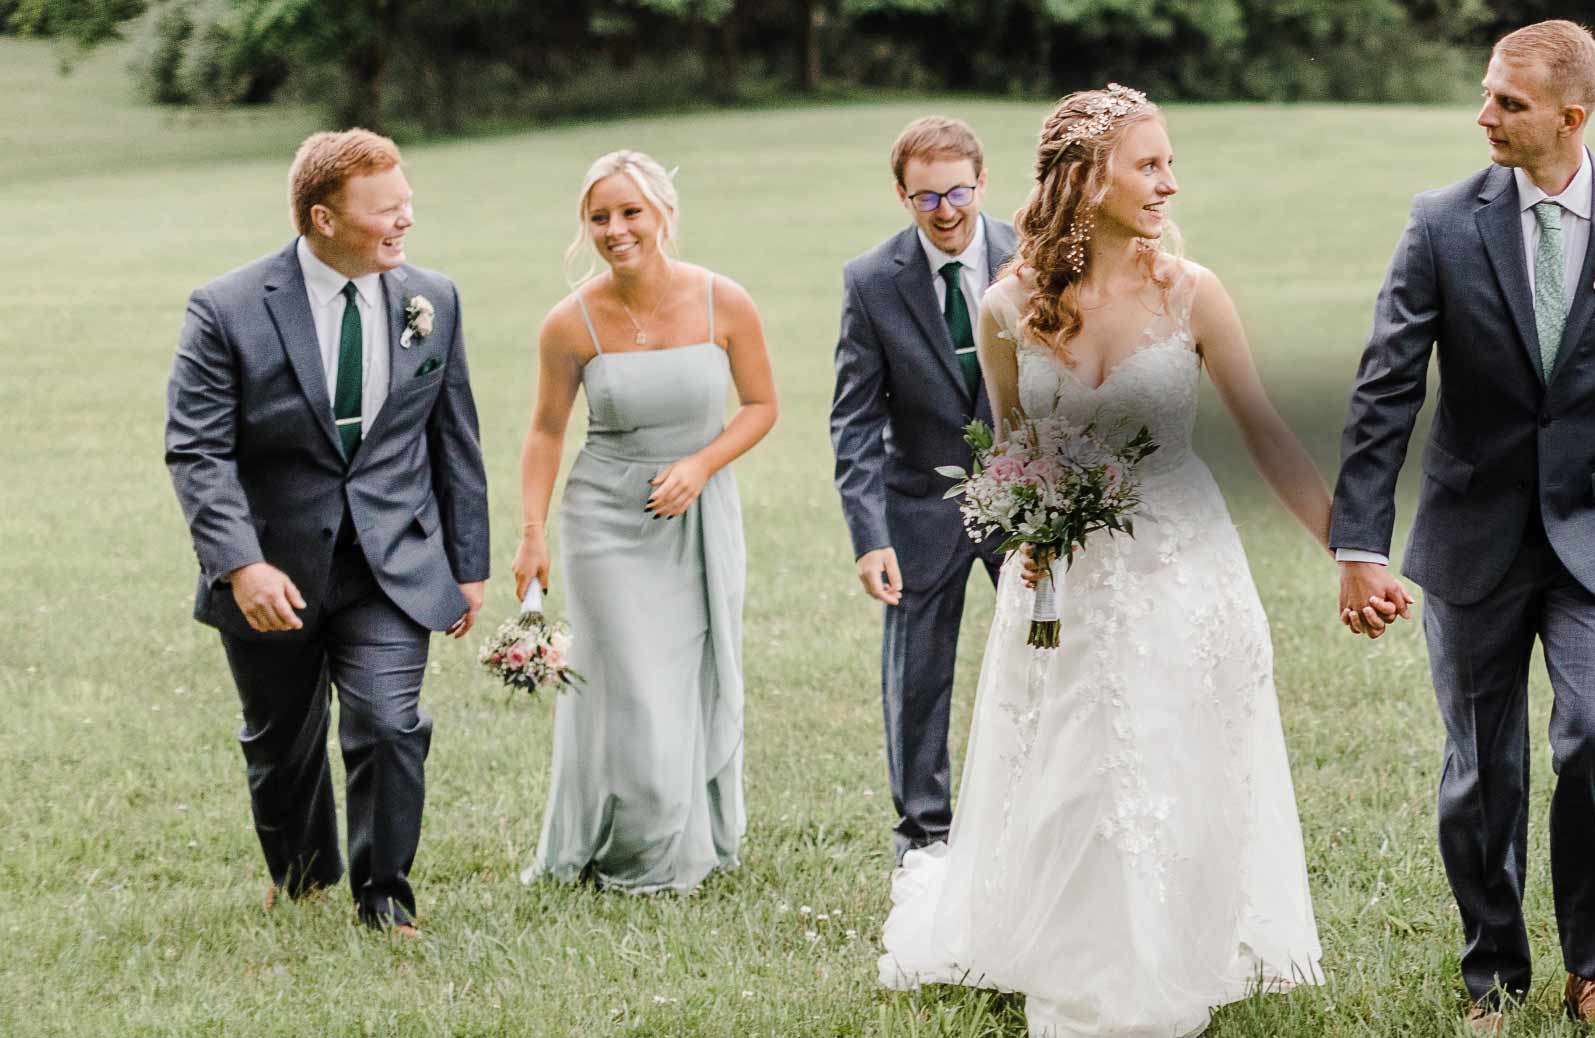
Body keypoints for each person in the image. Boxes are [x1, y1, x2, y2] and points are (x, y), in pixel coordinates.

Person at [877, 85, 1333, 1037]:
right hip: (1061, 582)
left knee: (1171, 749)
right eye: (1150, 163)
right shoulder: (1008, 307)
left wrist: (1350, 549)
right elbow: (1007, 445)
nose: (1169, 181)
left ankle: (1178, 941)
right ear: (1087, 179)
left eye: (1169, 162)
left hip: (1181, 562)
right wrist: (1026, 516)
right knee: (1076, 759)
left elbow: (1268, 434)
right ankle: (1078, 944)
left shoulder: (1192, 292)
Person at [1328, 20, 1595, 1035]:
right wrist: (1359, 544)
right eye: (1487, 95)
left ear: (1570, 116)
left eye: (1507, 101)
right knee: (1481, 766)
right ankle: (1491, 972)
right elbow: (1384, 391)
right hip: (1470, 533)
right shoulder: (1441, 221)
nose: (1484, 115)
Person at [163, 128, 488, 936]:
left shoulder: (433, 299)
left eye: (407, 204)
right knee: (282, 743)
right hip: (274, 568)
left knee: (389, 722)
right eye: (386, 211)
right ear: (322, 218)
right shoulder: (227, 308)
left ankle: (384, 897)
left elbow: (454, 438)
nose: (404, 222)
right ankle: (303, 873)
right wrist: (240, 564)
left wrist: (469, 563)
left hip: (391, 565)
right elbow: (197, 449)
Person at [514, 150, 778, 894]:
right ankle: (636, 849)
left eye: (630, 212)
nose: (615, 229)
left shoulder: (724, 301)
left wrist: (700, 465)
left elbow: (761, 407)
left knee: (686, 676)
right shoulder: (569, 324)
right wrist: (531, 532)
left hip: (699, 515)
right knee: (630, 685)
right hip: (605, 520)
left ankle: (686, 831)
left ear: (662, 212)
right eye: (599, 217)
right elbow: (544, 432)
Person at [830, 115, 1015, 862]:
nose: (946, 212)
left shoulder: (1031, 255)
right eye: (926, 198)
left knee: (1050, 654)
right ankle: (924, 838)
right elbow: (852, 420)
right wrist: (869, 534)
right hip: (916, 511)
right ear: (902, 196)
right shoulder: (871, 281)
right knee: (918, 683)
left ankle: (1037, 815)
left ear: (982, 182)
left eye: (958, 193)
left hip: (1027, 507)